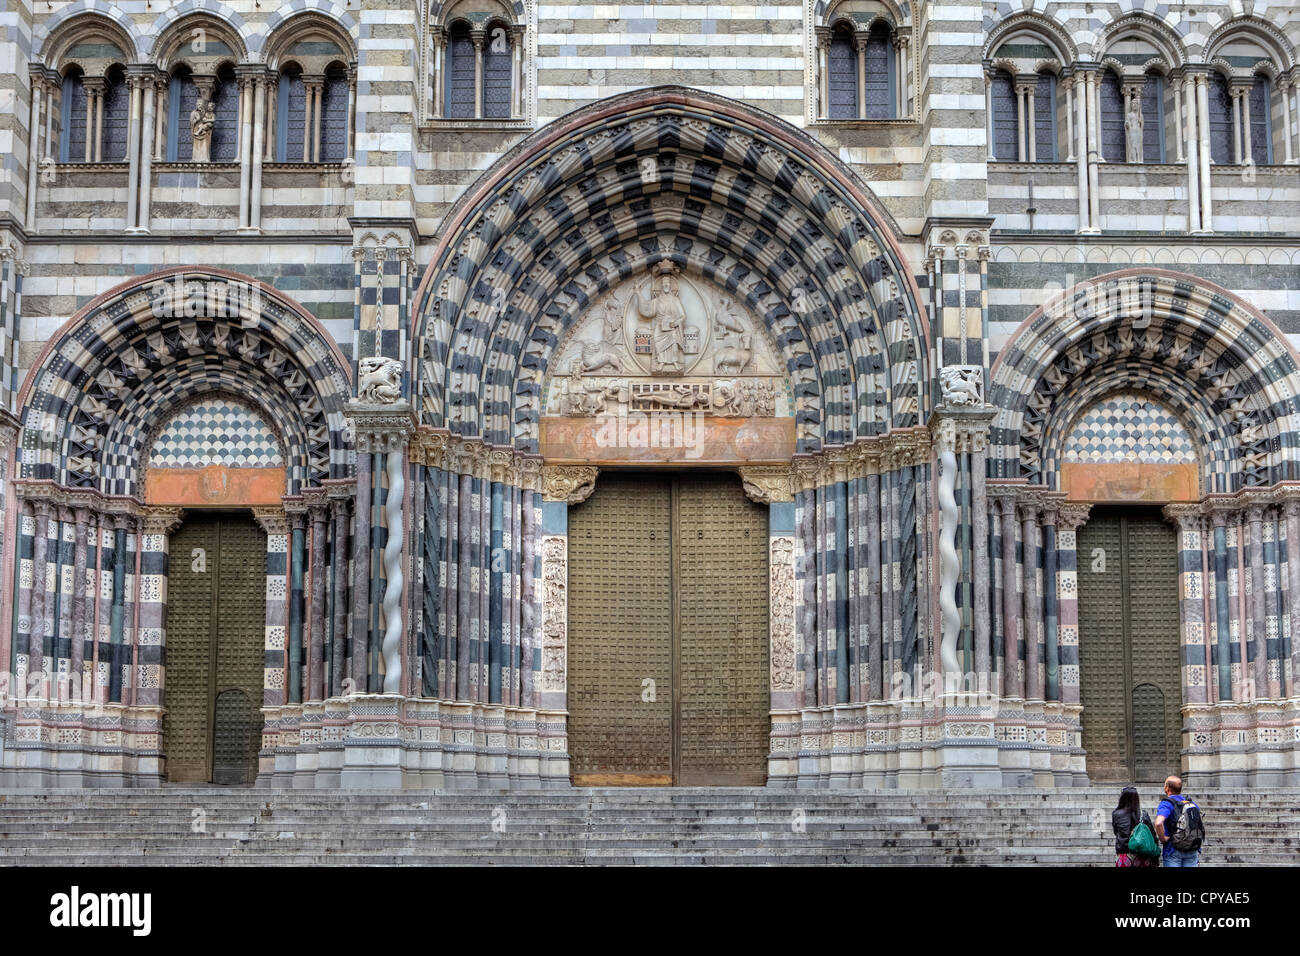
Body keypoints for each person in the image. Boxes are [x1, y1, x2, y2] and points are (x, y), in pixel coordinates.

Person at [1154, 775, 1203, 867]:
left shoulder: (1167, 803)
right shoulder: (1190, 803)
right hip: (1192, 848)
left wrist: (1163, 838)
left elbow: (1158, 822)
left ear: (1167, 788)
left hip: (1173, 849)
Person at [1111, 786, 1158, 867]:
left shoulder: (1116, 814)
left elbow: (1116, 832)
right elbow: (1152, 835)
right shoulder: (1143, 814)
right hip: (1142, 855)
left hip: (1124, 855)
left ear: (1122, 798)